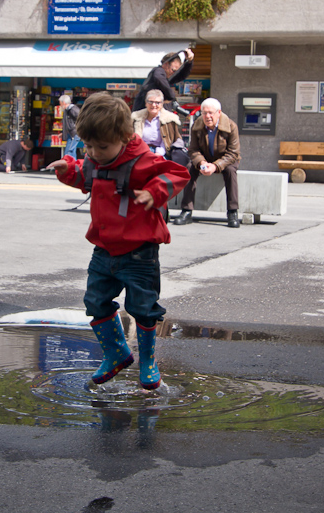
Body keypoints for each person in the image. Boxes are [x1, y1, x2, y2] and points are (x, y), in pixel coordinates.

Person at [47, 93, 189, 390]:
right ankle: (116, 353)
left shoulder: (142, 161)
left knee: (144, 307)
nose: (94, 153)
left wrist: (154, 191)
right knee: (95, 301)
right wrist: (66, 169)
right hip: (104, 250)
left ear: (125, 137)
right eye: (88, 146)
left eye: (101, 147)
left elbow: (177, 173)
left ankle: (148, 362)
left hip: (140, 253)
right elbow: (85, 175)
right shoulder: (97, 157)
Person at [174, 97, 242, 228]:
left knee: (230, 171)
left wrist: (215, 166)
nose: (207, 116)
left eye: (211, 113)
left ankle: (232, 212)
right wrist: (202, 163)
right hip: (204, 158)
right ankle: (186, 211)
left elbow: (233, 153)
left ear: (219, 112)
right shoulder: (197, 126)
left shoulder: (231, 126)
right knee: (189, 168)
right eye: (204, 113)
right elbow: (193, 150)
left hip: (226, 159)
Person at [131, 88, 190, 167]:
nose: (154, 105)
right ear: (146, 103)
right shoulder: (136, 117)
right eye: (150, 102)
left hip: (162, 152)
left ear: (162, 104)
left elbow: (169, 141)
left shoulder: (169, 119)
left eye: (157, 102)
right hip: (140, 152)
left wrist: (158, 153)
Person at [132, 47, 194, 112]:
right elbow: (158, 77)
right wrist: (171, 96)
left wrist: (189, 62)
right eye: (173, 70)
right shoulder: (158, 71)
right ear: (166, 64)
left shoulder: (166, 77)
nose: (173, 73)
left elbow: (181, 75)